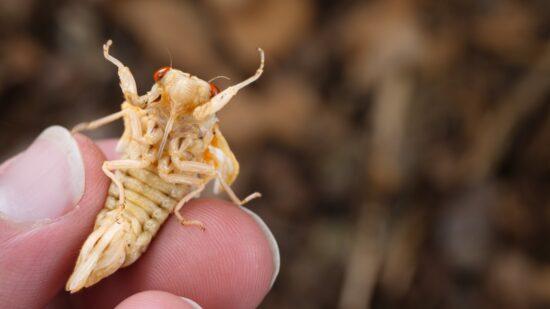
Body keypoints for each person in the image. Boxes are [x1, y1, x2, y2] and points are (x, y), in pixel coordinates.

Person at [0, 126, 279, 308]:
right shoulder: (146, 119)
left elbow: (211, 172)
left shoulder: (204, 136)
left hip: (145, 202)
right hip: (129, 193)